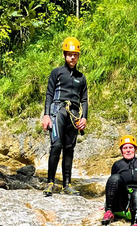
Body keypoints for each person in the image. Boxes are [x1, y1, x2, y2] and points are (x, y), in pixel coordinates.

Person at [41, 36, 88, 197]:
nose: (72, 57)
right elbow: (49, 94)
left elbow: (84, 100)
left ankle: (67, 184)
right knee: (56, 145)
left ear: (78, 56)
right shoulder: (57, 73)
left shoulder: (81, 77)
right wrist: (46, 115)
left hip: (73, 114)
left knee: (69, 148)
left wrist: (84, 118)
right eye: (69, 54)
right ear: (64, 55)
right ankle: (50, 183)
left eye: (75, 55)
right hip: (57, 111)